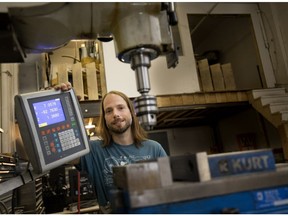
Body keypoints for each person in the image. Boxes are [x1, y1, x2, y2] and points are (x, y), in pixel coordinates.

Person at [55, 82, 167, 213]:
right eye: (109, 111)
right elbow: (61, 150)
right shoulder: (92, 151)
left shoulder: (154, 148)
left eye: (120, 108)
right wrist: (56, 101)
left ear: (132, 112)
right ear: (105, 119)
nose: (115, 114)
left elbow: (171, 190)